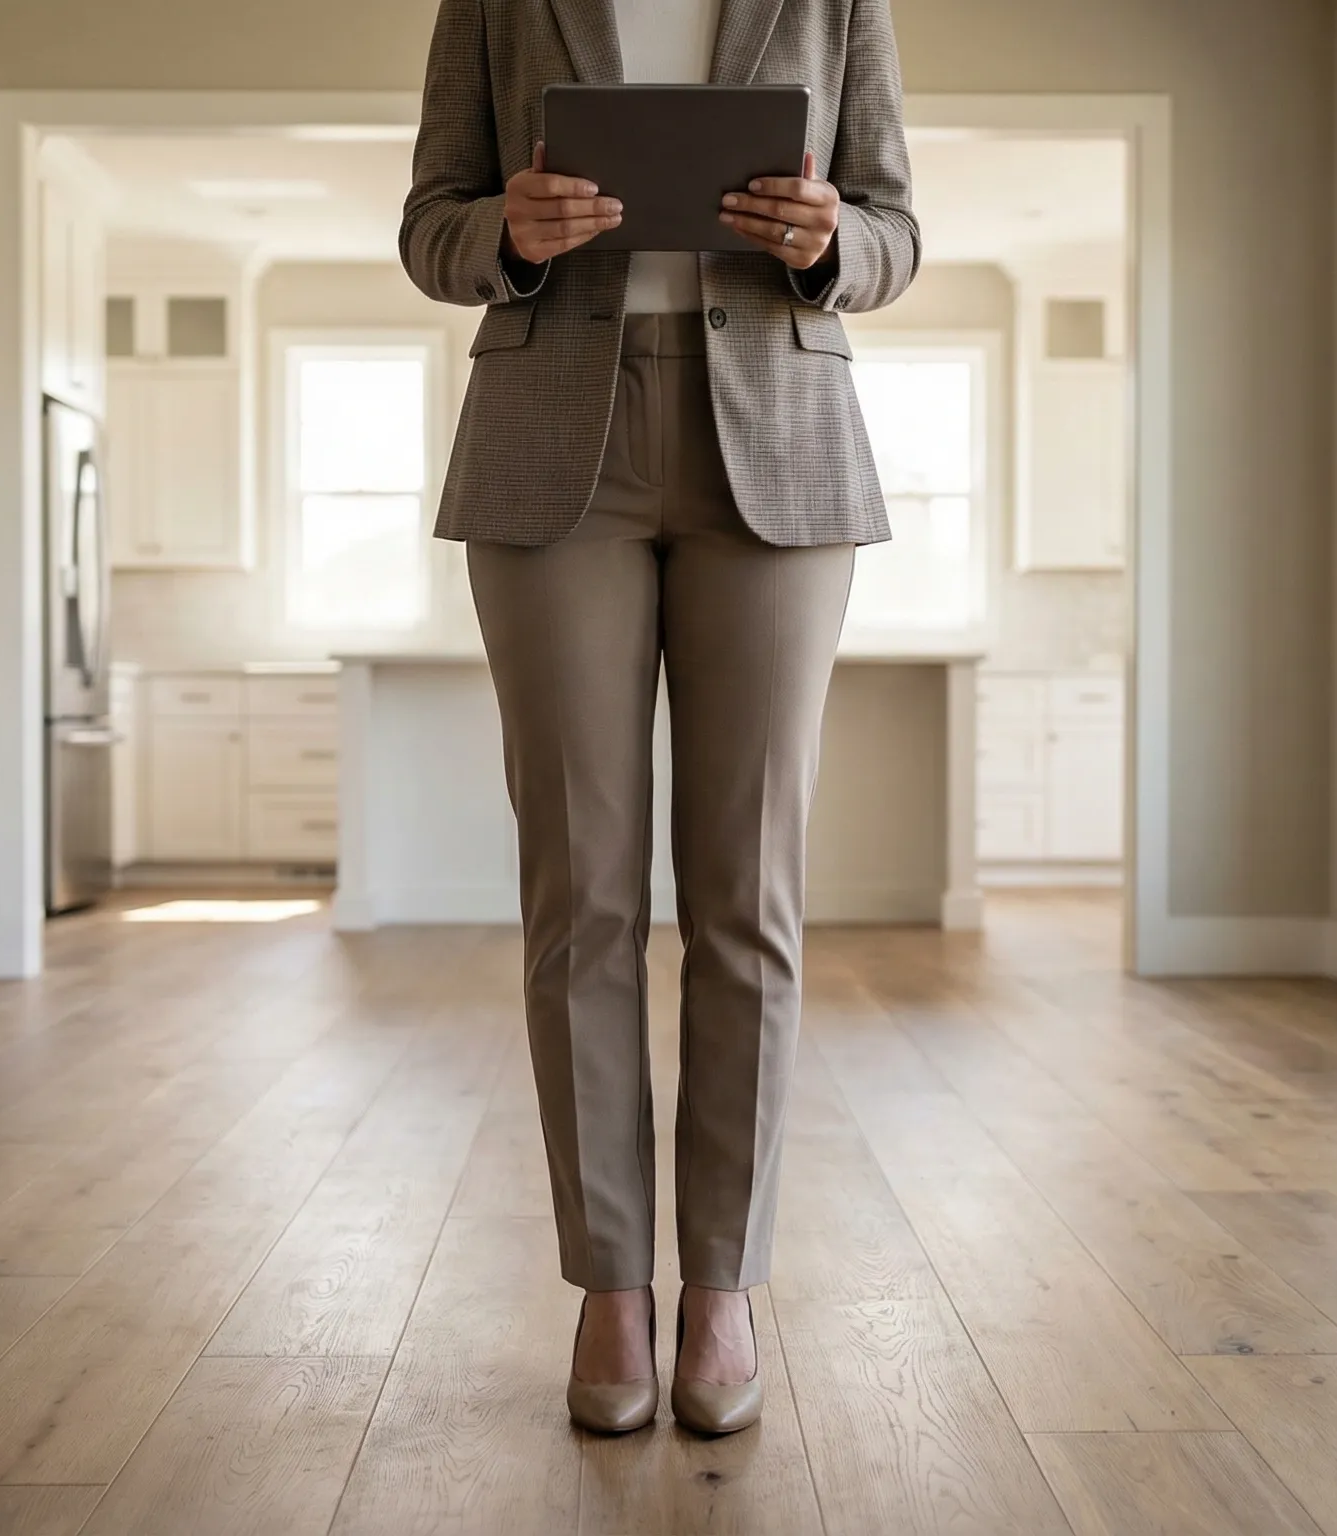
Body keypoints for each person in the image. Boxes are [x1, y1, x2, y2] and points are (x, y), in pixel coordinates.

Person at [399, 0, 917, 1436]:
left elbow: (895, 230)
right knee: (583, 895)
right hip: (553, 439)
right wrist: (506, 231)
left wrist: (832, 241)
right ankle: (612, 1287)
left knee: (750, 898)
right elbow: (430, 223)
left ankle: (724, 1291)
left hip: (780, 438)